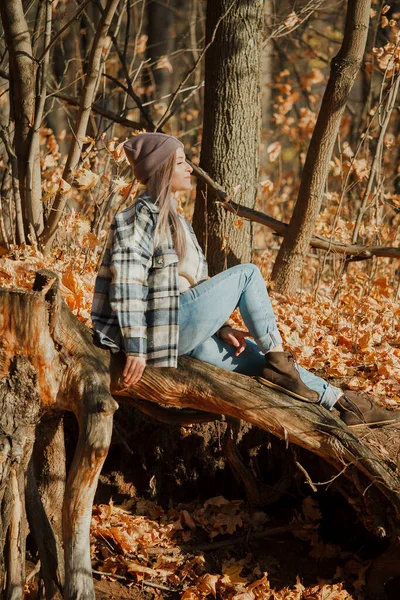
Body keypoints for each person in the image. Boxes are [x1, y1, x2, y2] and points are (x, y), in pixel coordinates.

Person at [91, 132, 399, 427]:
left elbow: (194, 285)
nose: (189, 168)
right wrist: (134, 347)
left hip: (179, 333)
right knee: (248, 274)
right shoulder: (138, 218)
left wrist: (222, 327)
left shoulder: (178, 220)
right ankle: (278, 357)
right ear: (161, 168)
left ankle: (342, 404)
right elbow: (127, 285)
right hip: (159, 330)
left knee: (256, 361)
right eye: (181, 162)